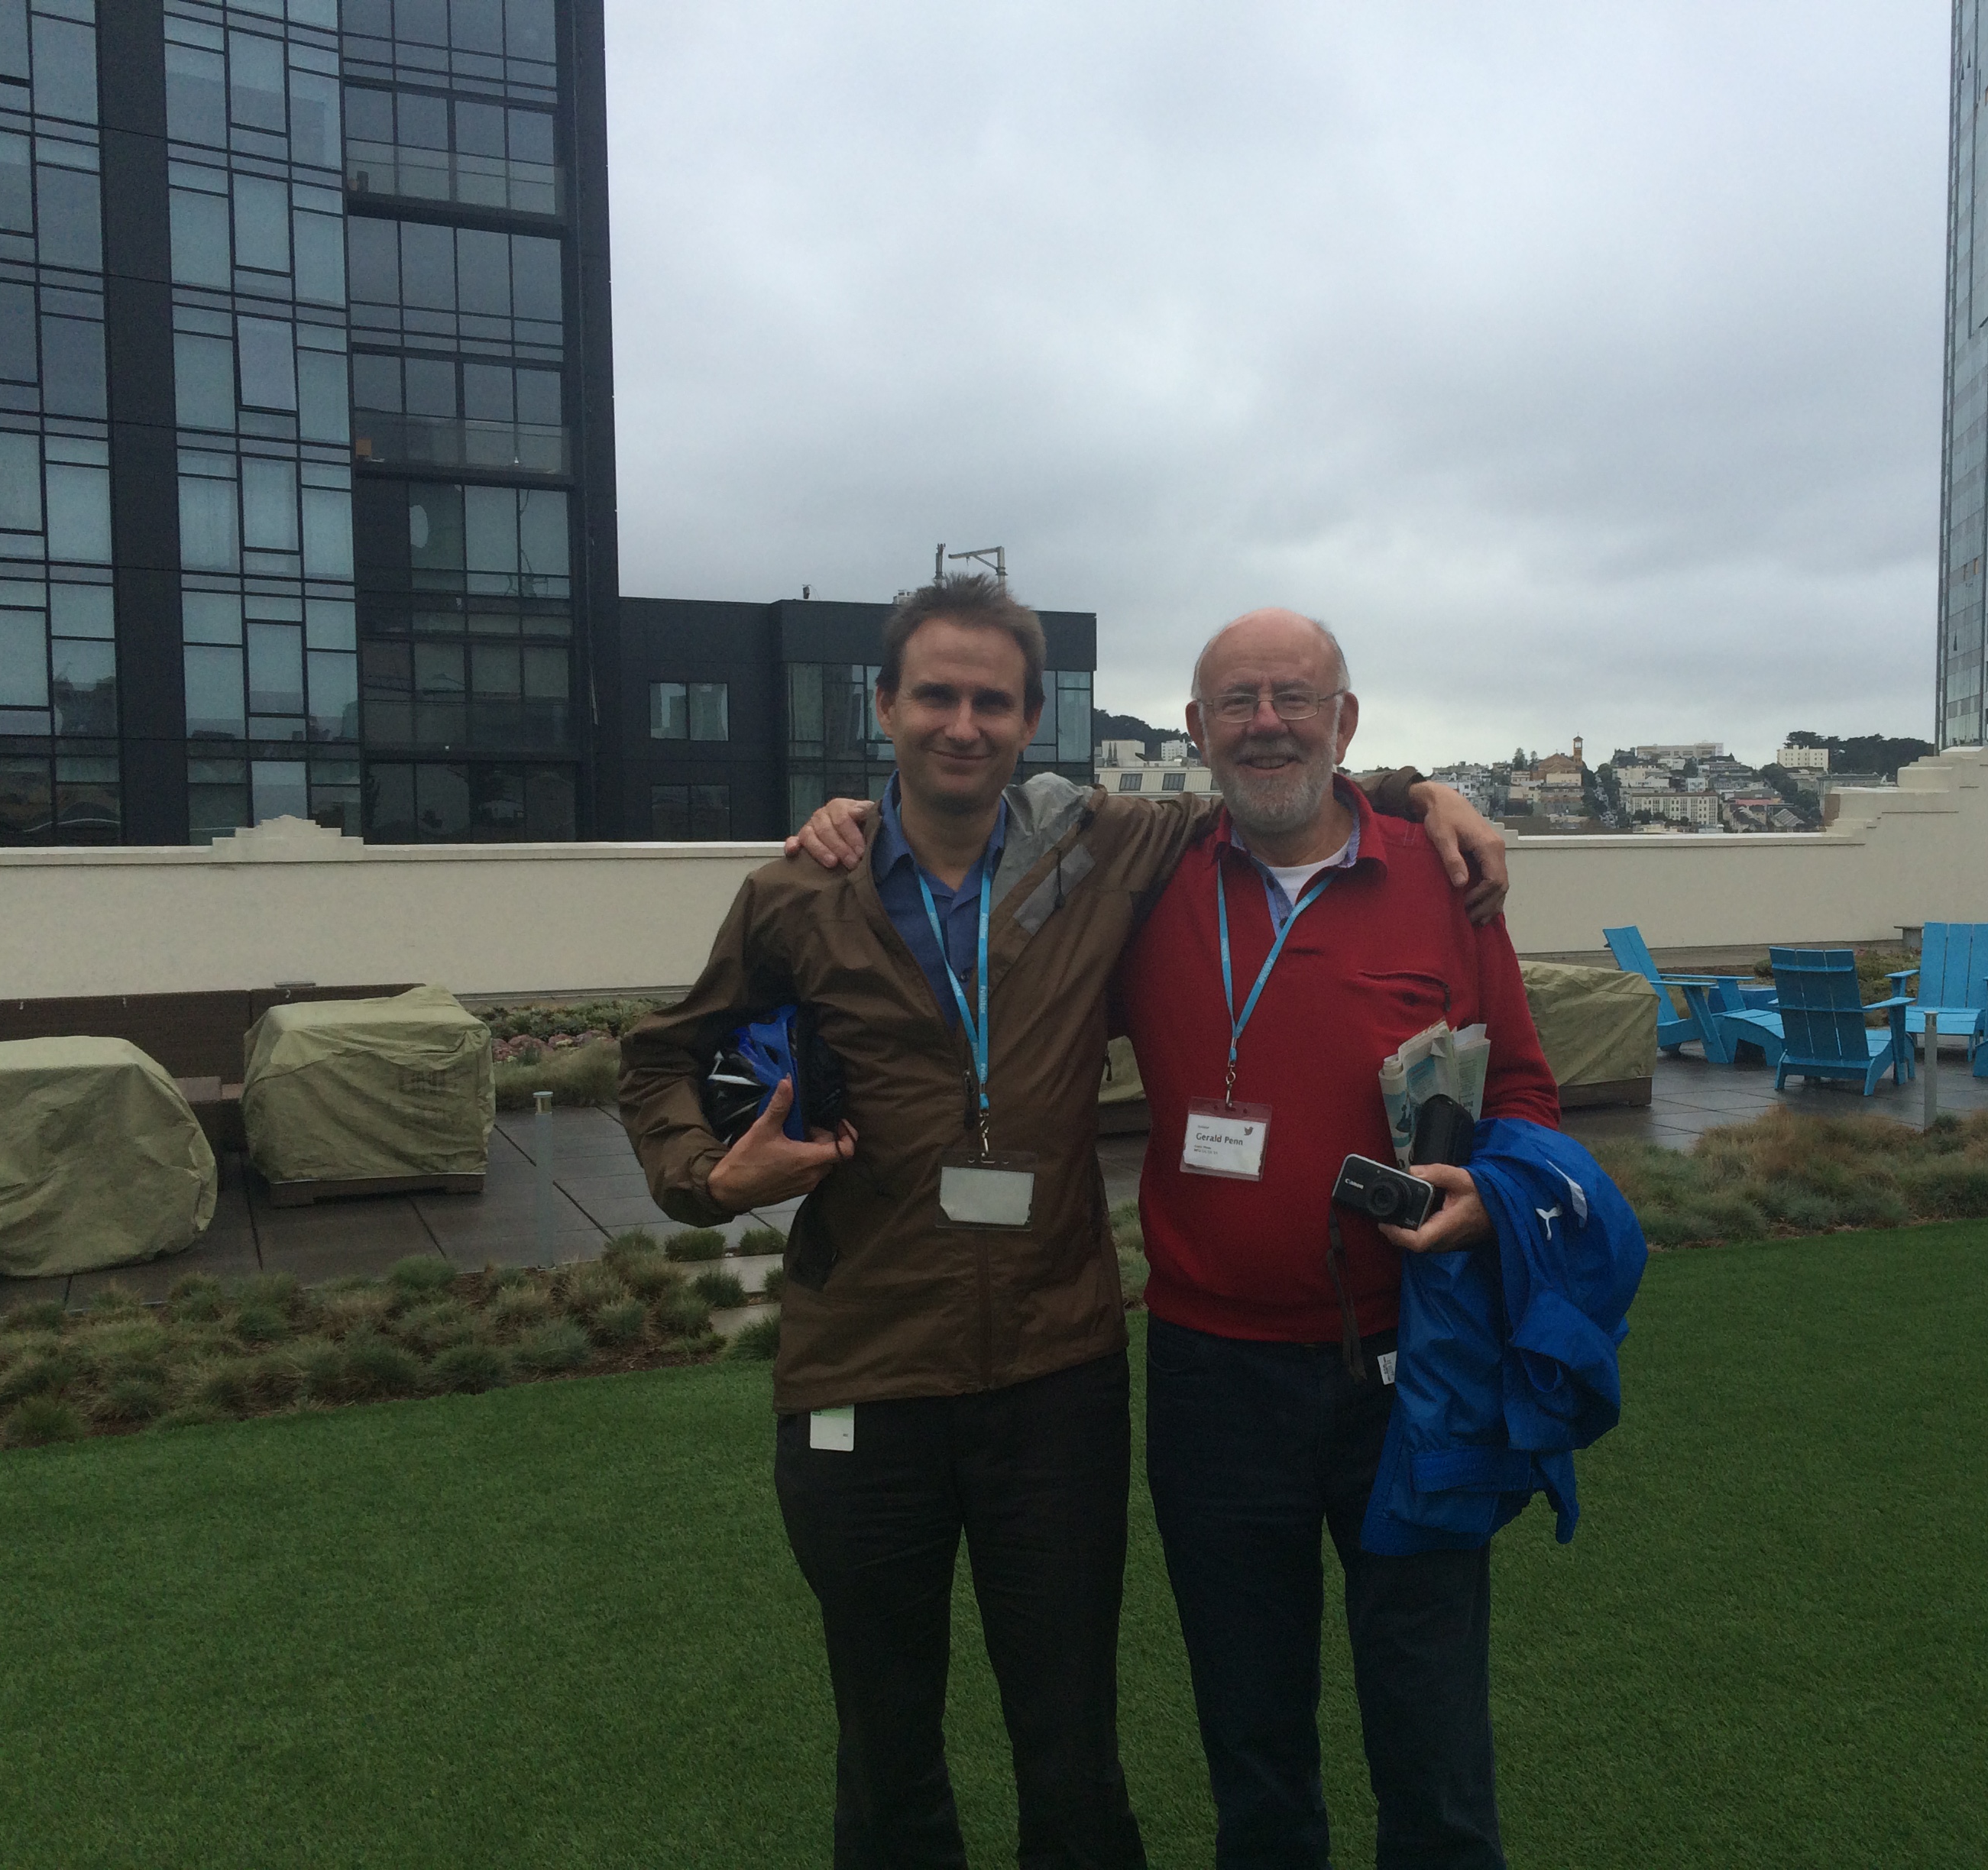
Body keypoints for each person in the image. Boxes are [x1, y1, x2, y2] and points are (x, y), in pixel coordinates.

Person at [618, 575, 1508, 1869]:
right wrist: (711, 1178)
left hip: (1053, 1374)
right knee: (885, 1745)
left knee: (1071, 1750)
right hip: (861, 1364)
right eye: (936, 695)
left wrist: (1429, 795)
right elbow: (657, 1058)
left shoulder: (1099, 849)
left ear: (1031, 720)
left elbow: (1277, 778)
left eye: (991, 701)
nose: (962, 724)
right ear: (885, 706)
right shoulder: (798, 891)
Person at [1110, 607, 1560, 1868]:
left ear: (1344, 721)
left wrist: (1492, 1198)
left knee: (1434, 1736)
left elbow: (1525, 1091)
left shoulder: (1445, 877)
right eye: (1238, 702)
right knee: (1252, 1741)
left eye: (1295, 698)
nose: (1268, 725)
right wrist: (853, 818)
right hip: (1211, 1376)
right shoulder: (1141, 886)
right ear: (1195, 729)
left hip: (1413, 1364)